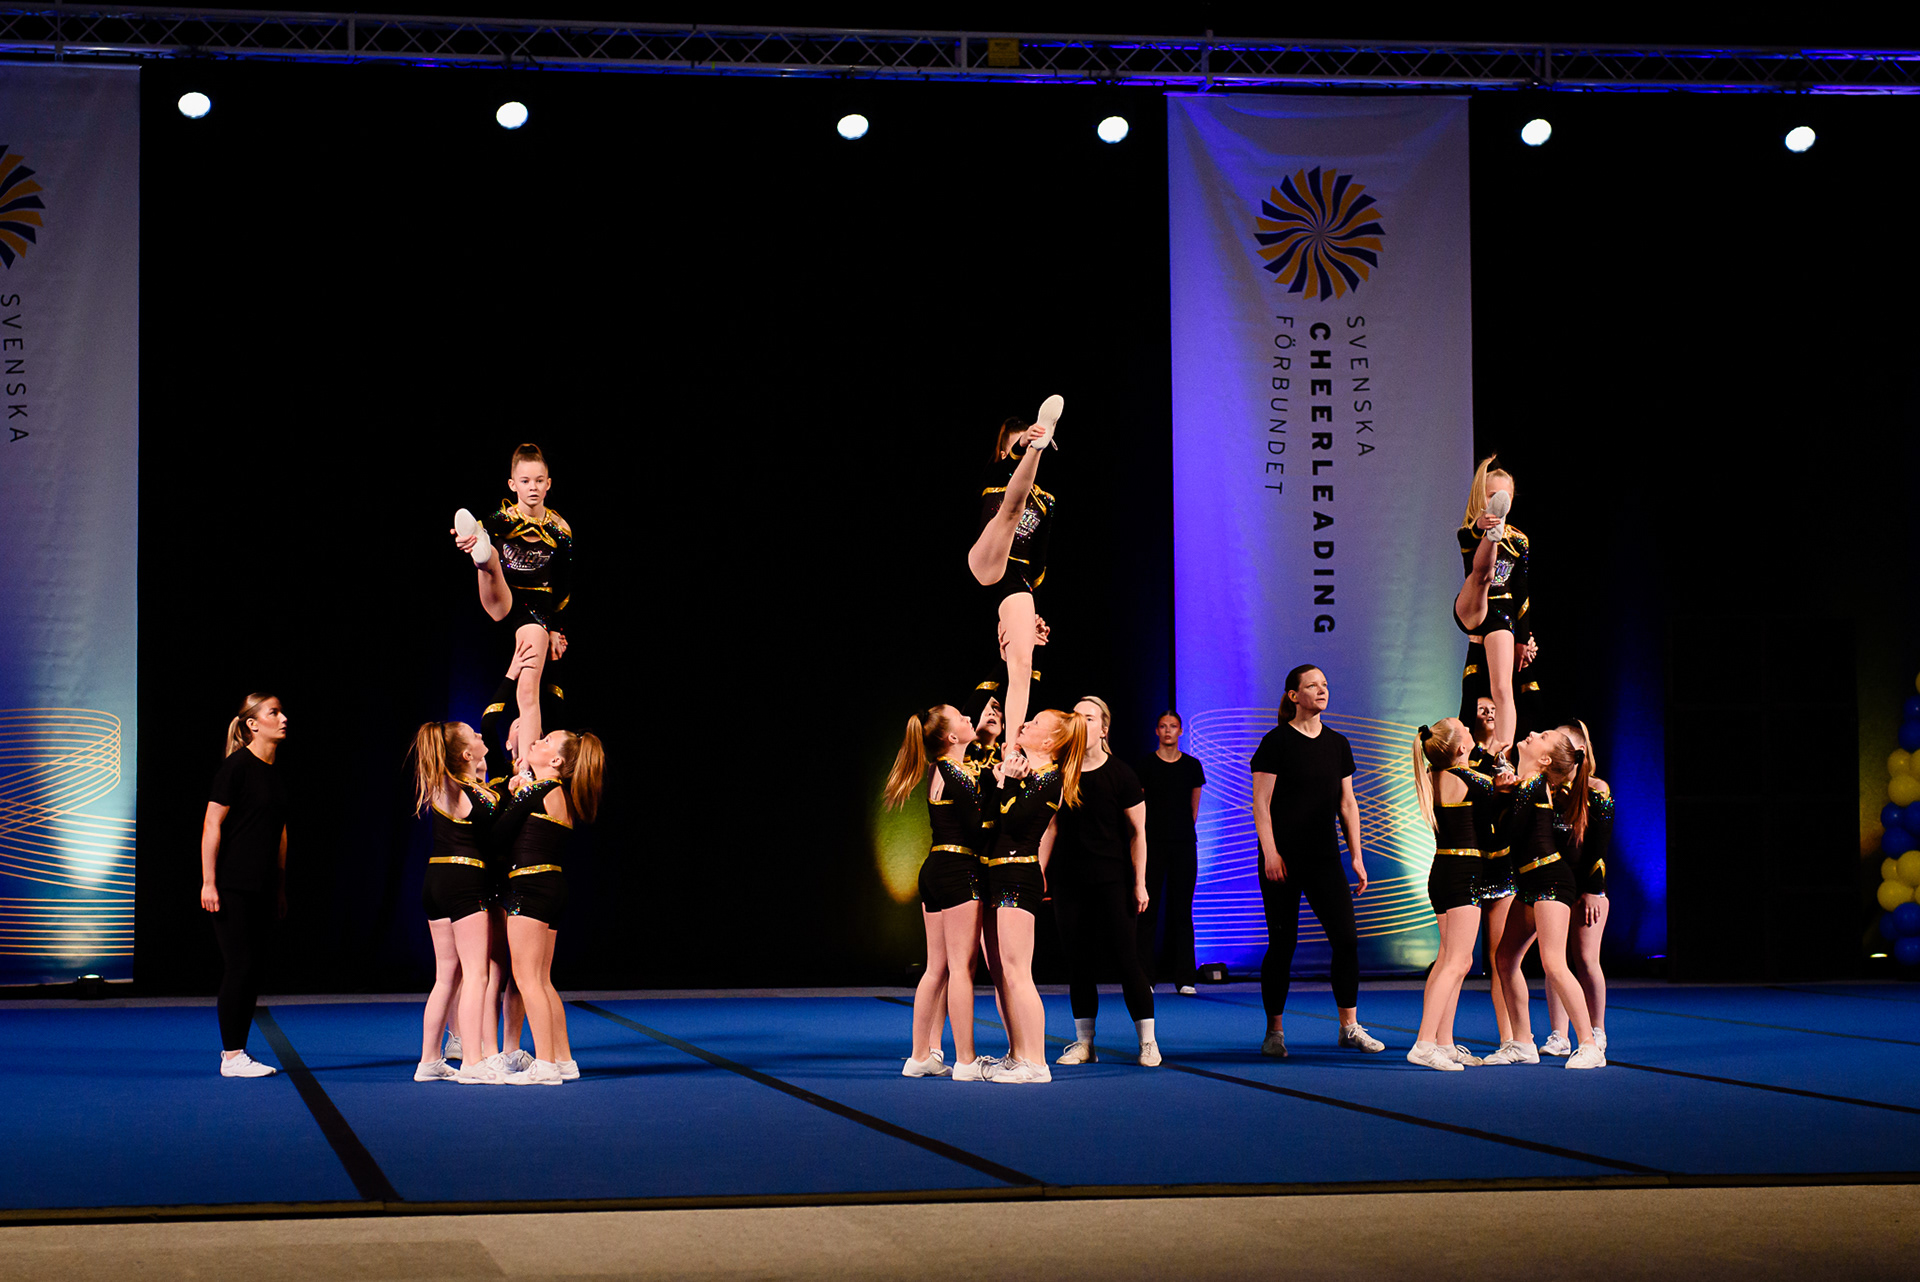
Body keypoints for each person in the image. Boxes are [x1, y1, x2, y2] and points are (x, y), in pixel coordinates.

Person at [1249, 665, 1383, 1057]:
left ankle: (1349, 1027)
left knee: (1346, 940)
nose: (1322, 690)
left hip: (1325, 858)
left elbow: (1348, 804)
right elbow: (1261, 803)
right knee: (1282, 944)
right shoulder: (1275, 742)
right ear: (1294, 695)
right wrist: (1271, 852)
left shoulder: (1338, 743)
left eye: (1325, 684)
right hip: (1282, 860)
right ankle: (1274, 1032)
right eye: (1312, 685)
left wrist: (1356, 856)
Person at [883, 704, 996, 1082]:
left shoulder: (940, 768)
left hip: (935, 868)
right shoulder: (954, 772)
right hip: (957, 869)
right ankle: (966, 1060)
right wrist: (1001, 787)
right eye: (963, 718)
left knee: (937, 967)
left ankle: (921, 1055)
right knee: (961, 968)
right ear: (950, 737)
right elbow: (979, 827)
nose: (970, 720)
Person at [1484, 729, 1606, 1069]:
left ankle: (1589, 1044)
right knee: (1505, 958)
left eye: (1542, 736)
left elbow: (1504, 836)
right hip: (1531, 881)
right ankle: (1523, 1042)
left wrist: (1498, 795)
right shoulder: (1527, 785)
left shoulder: (1534, 785)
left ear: (1545, 759)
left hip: (1551, 881)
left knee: (1553, 962)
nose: (1533, 732)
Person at [980, 708, 1087, 1084]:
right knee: (1001, 973)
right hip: (997, 873)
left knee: (1017, 972)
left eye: (1035, 723)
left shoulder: (1050, 780)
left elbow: (1013, 822)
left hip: (1018, 876)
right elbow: (990, 821)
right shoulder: (1026, 775)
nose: (1025, 724)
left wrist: (1008, 781)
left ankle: (1037, 1062)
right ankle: (1016, 1054)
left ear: (1050, 741)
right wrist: (1002, 779)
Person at [1050, 697, 1158, 1068]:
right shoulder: (1061, 773)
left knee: (1128, 960)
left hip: (1113, 880)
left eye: (1089, 717)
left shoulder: (1122, 774)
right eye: (1075, 717)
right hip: (1069, 881)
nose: (1081, 722)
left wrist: (1139, 882)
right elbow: (1051, 827)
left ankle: (1147, 1042)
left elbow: (1139, 833)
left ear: (1103, 729)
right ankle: (1085, 1044)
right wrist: (1041, 872)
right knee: (1078, 962)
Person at [452, 442, 573, 773]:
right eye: (525, 481)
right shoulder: (501, 520)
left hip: (535, 609)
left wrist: (556, 629)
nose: (532, 487)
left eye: (538, 481)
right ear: (512, 484)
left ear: (548, 484)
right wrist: (466, 538)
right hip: (503, 596)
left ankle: (526, 772)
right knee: (488, 558)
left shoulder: (560, 530)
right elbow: (468, 531)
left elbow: (563, 586)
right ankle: (481, 553)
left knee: (528, 689)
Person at [493, 728, 605, 1085]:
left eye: (545, 742)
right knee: (541, 980)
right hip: (551, 886)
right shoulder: (558, 794)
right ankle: (563, 1059)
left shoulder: (539, 790)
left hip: (530, 887)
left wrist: (508, 792)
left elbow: (496, 836)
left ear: (555, 760)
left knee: (528, 979)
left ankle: (545, 1065)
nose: (536, 742)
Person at [966, 398, 1063, 760]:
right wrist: (1026, 445)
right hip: (988, 558)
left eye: (1033, 441)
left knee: (1022, 663)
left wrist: (1031, 613)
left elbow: (1040, 556)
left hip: (1017, 577)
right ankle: (1037, 446)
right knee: (1012, 508)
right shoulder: (993, 477)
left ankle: (1012, 748)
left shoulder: (1047, 500)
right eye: (1020, 444)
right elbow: (1005, 477)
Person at [199, 693, 291, 1079]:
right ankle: (232, 1055)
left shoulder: (275, 773)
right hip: (232, 884)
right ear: (253, 724)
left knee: (252, 970)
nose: (283, 718)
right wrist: (209, 881)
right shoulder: (235, 768)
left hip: (263, 885)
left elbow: (280, 833)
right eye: (274, 712)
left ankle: (238, 1051)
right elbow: (212, 824)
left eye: (282, 712)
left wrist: (280, 885)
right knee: (239, 966)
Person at [408, 721, 503, 1083]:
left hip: (435, 880)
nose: (482, 738)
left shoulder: (441, 784)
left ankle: (429, 1060)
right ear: (466, 754)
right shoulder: (477, 794)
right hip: (464, 880)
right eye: (476, 737)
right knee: (477, 973)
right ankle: (473, 1062)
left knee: (446, 977)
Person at [1405, 719, 1498, 1071]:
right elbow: (1500, 802)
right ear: (1461, 748)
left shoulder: (1434, 775)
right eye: (1466, 731)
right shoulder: (1471, 780)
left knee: (1447, 958)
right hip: (1463, 873)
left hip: (1442, 870)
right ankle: (1424, 1043)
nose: (1471, 731)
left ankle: (1442, 1042)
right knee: (1459, 961)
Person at [1453, 456, 1539, 757]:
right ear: (1482, 498)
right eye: (1493, 497)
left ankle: (1501, 751)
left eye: (1505, 498)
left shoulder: (1520, 541)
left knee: (1502, 687)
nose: (1500, 501)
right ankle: (1493, 537)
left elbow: (1522, 591)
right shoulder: (1468, 531)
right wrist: (1482, 527)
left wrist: (1522, 639)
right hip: (1473, 604)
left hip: (1501, 612)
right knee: (1483, 576)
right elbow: (1469, 539)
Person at [1542, 720, 1613, 1057]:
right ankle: (1559, 1034)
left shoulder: (1597, 789)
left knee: (1585, 960)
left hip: (1586, 887)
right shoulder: (1546, 788)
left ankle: (1597, 1030)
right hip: (1556, 887)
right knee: (1554, 960)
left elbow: (1599, 847)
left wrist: (1594, 891)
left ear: (1578, 751)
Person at [1137, 710, 1205, 995]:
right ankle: (1144, 978)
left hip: (1183, 843)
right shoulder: (1146, 765)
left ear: (1180, 731)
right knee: (1147, 910)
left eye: (1173, 726)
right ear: (1156, 731)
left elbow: (1194, 806)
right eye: (1163, 726)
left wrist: (1183, 830)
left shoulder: (1191, 765)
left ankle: (1186, 978)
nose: (1168, 731)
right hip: (1151, 843)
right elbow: (1138, 805)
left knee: (1182, 910)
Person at [1467, 695, 1521, 1050]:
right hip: (1469, 862)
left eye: (1493, 709)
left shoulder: (1511, 758)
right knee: (1457, 959)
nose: (1488, 713)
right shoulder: (1465, 759)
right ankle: (1439, 1038)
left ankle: (1510, 1037)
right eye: (1481, 709)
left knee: (1500, 955)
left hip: (1502, 861)